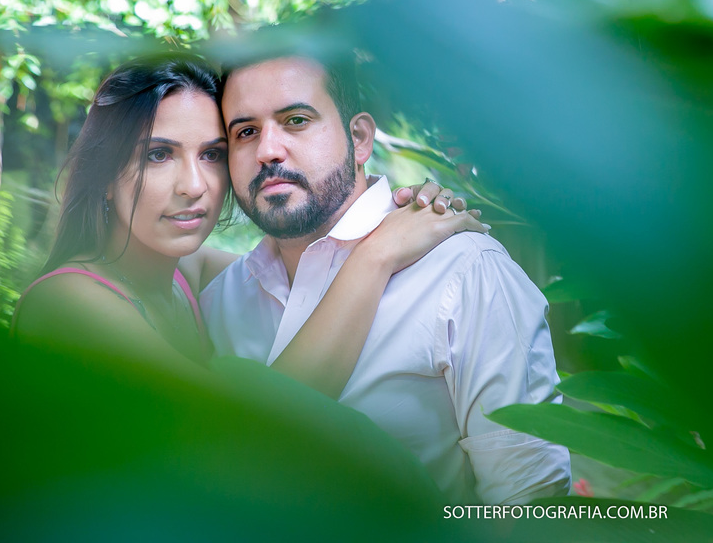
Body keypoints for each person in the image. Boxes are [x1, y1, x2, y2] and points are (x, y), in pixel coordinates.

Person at [202, 52, 571, 506]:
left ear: (359, 139)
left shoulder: (464, 270)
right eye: (245, 132)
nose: (268, 151)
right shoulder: (219, 301)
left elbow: (530, 500)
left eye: (296, 120)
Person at [12, 53, 485, 389]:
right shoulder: (67, 300)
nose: (193, 185)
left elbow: (309, 263)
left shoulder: (187, 275)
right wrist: (380, 254)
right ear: (104, 175)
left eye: (213, 154)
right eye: (158, 155)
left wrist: (407, 209)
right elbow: (242, 433)